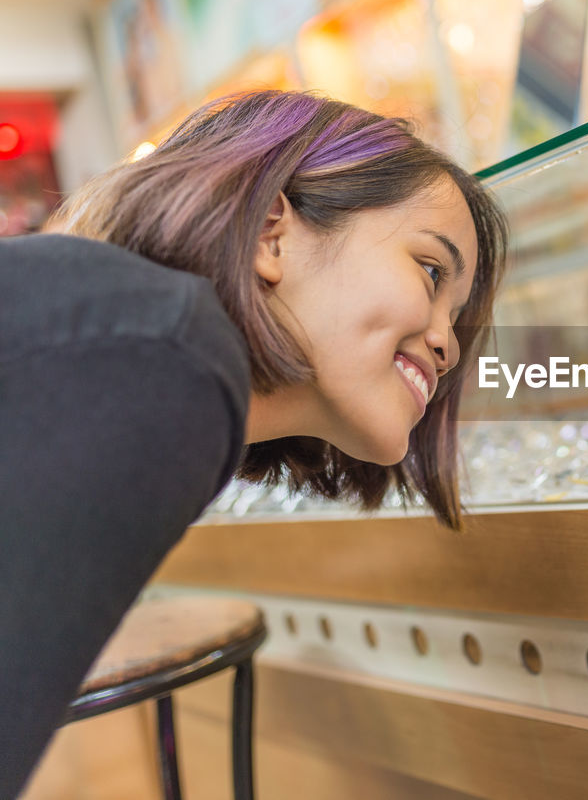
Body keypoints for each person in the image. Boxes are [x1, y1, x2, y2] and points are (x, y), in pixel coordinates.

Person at [0, 90, 508, 797]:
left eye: (458, 318)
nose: (447, 343)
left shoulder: (152, 347)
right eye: (430, 271)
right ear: (272, 233)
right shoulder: (168, 358)